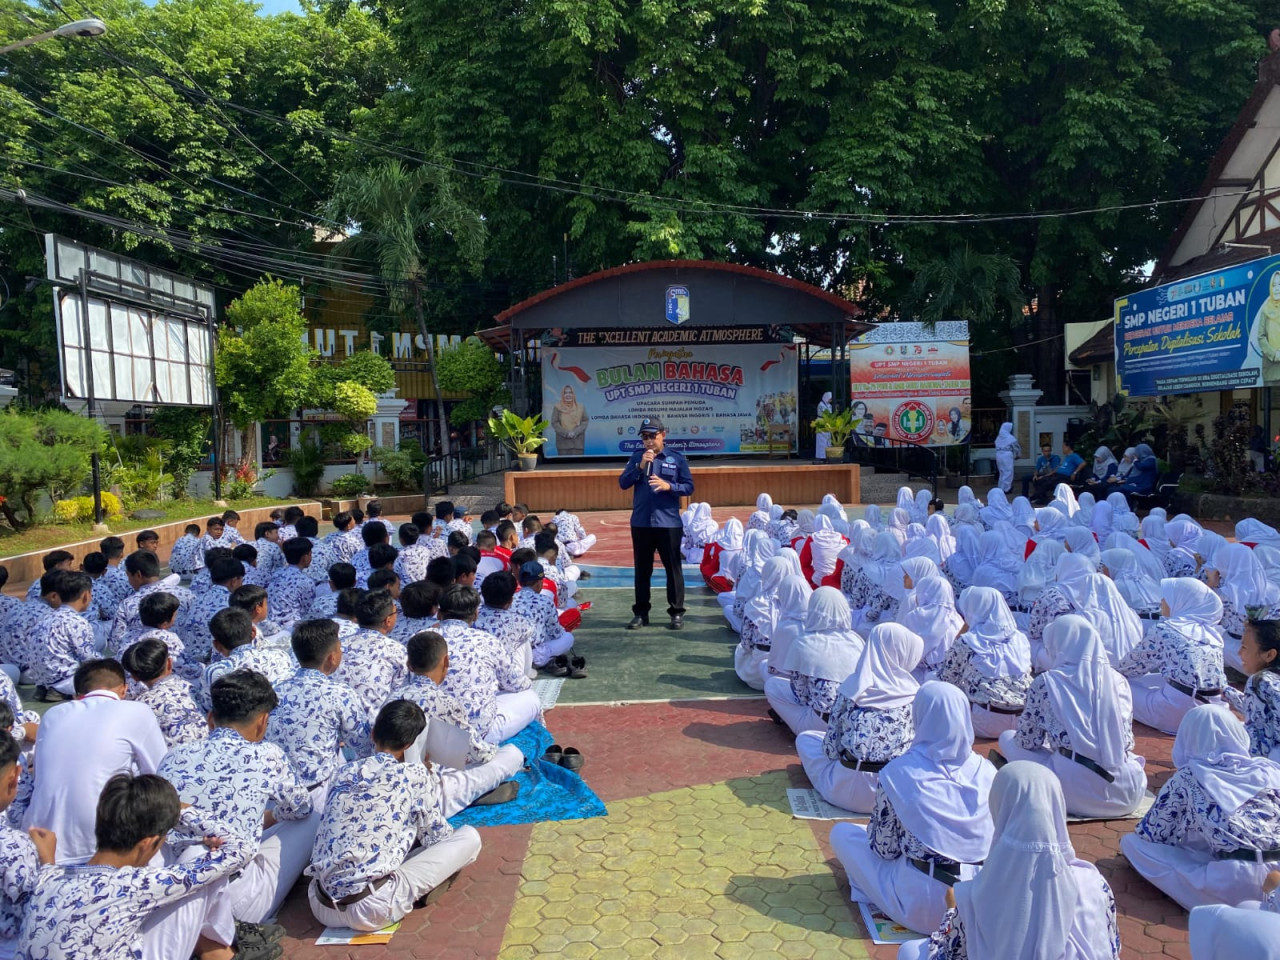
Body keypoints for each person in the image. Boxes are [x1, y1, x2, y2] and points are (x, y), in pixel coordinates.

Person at [16, 773, 263, 960]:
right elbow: (240, 848)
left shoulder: (47, 878)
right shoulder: (135, 887)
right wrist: (179, 810)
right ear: (148, 843)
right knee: (200, 855)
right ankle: (220, 952)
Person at [897, 761, 1121, 960]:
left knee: (909, 951)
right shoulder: (1094, 881)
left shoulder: (980, 894)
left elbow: (949, 952)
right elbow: (1112, 946)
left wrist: (952, 911)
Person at [830, 682, 996, 935]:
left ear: (920, 716)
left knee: (843, 834)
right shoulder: (989, 773)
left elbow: (884, 850)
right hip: (983, 904)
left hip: (926, 904)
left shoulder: (899, 773)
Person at [305, 699, 482, 932]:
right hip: (372, 909)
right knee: (469, 837)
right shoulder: (414, 773)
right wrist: (427, 782)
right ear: (411, 744)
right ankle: (409, 886)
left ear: (373, 734)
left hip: (320, 904)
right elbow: (437, 838)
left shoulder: (343, 771)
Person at [158, 670, 317, 927]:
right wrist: (273, 816)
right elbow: (301, 809)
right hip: (234, 903)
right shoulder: (267, 754)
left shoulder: (174, 755)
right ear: (263, 721)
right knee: (313, 819)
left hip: (173, 891)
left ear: (211, 719)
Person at [1120, 704, 1280, 910]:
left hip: (1238, 879)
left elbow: (1153, 834)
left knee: (1133, 845)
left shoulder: (1189, 776)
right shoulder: (1269, 769)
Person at [997, 614, 1148, 818]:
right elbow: (1126, 741)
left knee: (1007, 738)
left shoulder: (1047, 682)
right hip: (1127, 793)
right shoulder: (1118, 681)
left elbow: (1027, 740)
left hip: (1072, 793)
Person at [23, 659, 167, 865]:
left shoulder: (52, 714)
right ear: (124, 689)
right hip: (99, 845)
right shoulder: (137, 710)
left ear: (78, 693)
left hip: (42, 839)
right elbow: (160, 775)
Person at [795, 623, 921, 814]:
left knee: (806, 739)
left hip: (847, 789)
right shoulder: (917, 695)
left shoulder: (852, 689)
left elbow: (830, 749)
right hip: (895, 796)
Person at [267, 620, 371, 804]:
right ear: (332, 657)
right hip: (317, 796)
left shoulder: (274, 690)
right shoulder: (339, 693)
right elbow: (364, 746)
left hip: (273, 794)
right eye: (340, 649)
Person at [1119, 578, 1229, 734]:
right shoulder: (1212, 636)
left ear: (1181, 601)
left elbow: (1131, 667)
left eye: (1167, 597)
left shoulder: (1167, 630)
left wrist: (1109, 671)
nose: (1162, 601)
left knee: (1114, 684)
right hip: (1211, 709)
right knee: (1155, 679)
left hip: (1177, 713)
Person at [618, 416, 694, 631]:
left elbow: (689, 487)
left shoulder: (676, 459)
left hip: (668, 522)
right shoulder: (636, 458)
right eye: (645, 437)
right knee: (642, 570)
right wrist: (640, 466)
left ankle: (676, 613)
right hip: (642, 522)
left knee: (673, 569)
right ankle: (641, 613)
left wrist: (669, 486)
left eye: (653, 435)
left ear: (664, 434)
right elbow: (623, 483)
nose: (649, 441)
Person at [937, 586, 1032, 738]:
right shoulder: (1020, 638)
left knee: (932, 681)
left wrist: (966, 628)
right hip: (1021, 719)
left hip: (985, 722)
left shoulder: (969, 642)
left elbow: (946, 678)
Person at [766, 588, 864, 735]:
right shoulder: (857, 640)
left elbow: (801, 694)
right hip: (854, 720)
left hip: (822, 722)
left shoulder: (803, 642)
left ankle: (803, 727)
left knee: (773, 685)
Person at [121, 638, 206, 748]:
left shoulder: (143, 704)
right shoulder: (191, 688)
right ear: (170, 664)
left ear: (134, 677)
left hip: (173, 760)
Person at [1223, 619, 1280, 760]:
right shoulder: (1271, 681)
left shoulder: (1260, 681)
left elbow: (1259, 747)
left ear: (1269, 655)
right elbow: (1263, 709)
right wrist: (1225, 690)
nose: (1238, 652)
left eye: (1244, 647)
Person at [550, 384, 588, 456]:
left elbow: (585, 421)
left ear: (573, 394)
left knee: (578, 466)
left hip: (577, 443)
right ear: (562, 395)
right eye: (565, 393)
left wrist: (575, 432)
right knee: (563, 466)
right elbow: (554, 422)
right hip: (563, 444)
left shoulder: (581, 407)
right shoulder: (557, 407)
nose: (568, 395)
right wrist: (566, 433)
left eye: (570, 392)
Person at [993, 422, 1020, 494]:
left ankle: (1000, 487)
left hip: (998, 454)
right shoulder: (1010, 438)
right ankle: (1006, 488)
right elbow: (1016, 447)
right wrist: (1017, 454)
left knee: (1001, 472)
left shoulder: (998, 437)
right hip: (1007, 454)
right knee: (1008, 472)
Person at [814, 392, 834, 461]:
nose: (830, 400)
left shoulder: (829, 405)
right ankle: (821, 456)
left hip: (827, 422)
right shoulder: (821, 404)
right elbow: (826, 413)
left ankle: (827, 455)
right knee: (821, 440)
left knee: (827, 439)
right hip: (821, 422)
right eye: (830, 399)